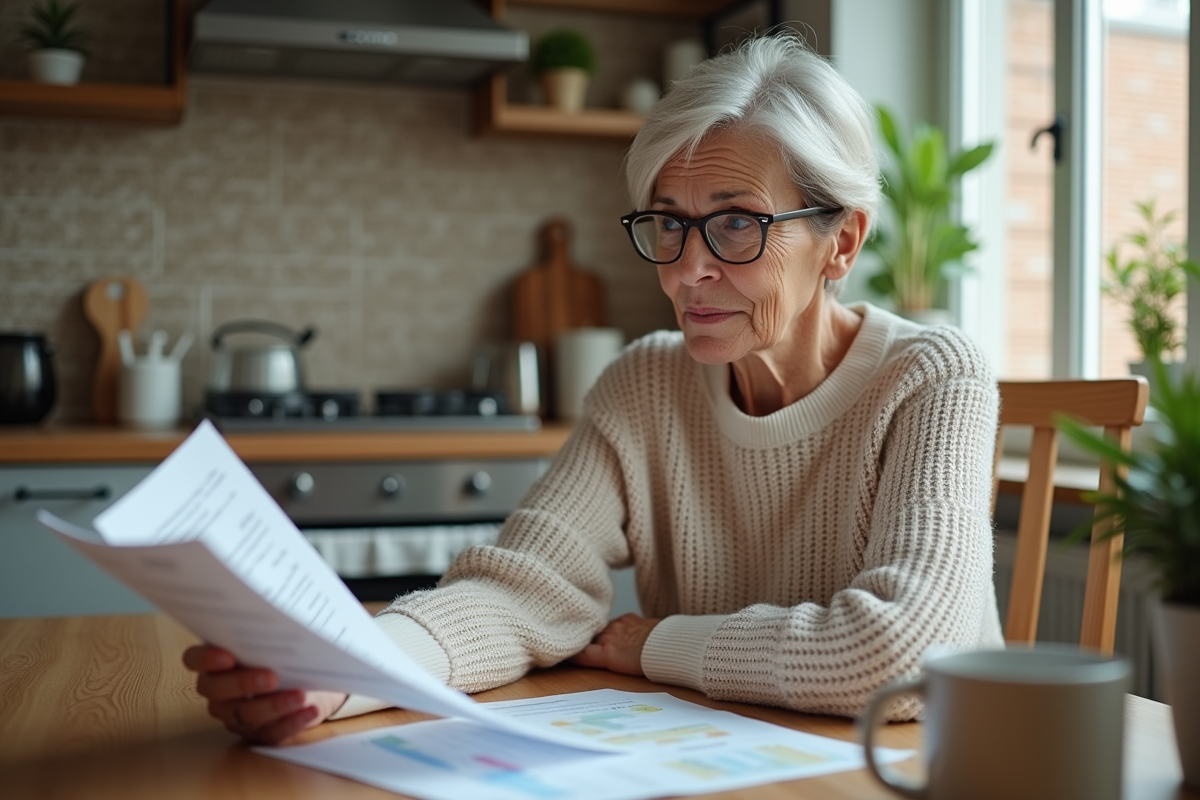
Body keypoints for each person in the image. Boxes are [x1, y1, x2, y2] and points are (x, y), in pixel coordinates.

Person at [185, 33, 1004, 745]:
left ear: (842, 242)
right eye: (669, 222)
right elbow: (520, 590)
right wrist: (338, 673)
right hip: (726, 758)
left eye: (735, 223)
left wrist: (656, 643)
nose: (686, 271)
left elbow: (902, 654)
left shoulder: (932, 375)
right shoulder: (646, 383)